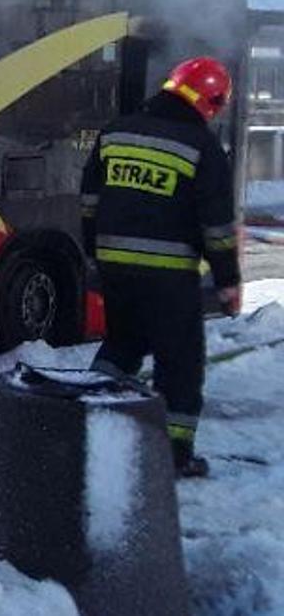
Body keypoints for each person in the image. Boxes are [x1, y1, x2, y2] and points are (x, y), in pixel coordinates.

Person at [82, 56, 241, 479]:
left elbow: (88, 202)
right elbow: (218, 228)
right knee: (181, 362)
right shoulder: (201, 146)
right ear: (212, 100)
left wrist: (94, 256)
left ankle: (86, 420)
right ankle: (174, 454)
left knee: (122, 344)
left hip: (114, 264)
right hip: (169, 273)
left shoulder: (116, 132)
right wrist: (228, 281)